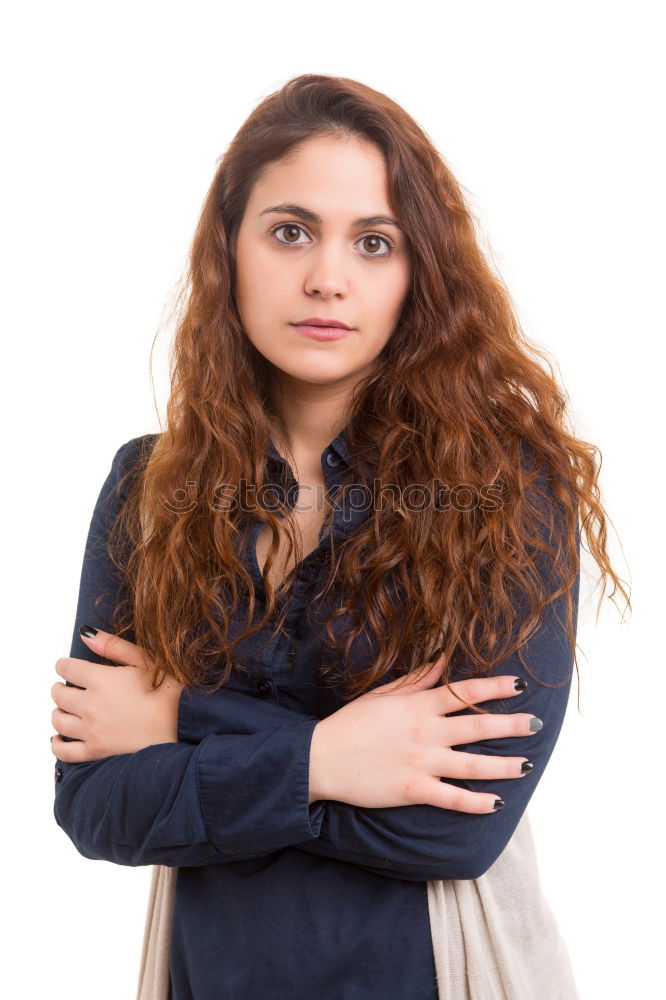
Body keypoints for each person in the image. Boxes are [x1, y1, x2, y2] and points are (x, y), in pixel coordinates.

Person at [50, 74, 628, 999]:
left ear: (418, 273)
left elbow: (458, 826)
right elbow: (94, 804)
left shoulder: (503, 484)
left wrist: (179, 720)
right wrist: (336, 759)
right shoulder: (147, 487)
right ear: (228, 250)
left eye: (374, 242)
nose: (328, 276)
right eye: (290, 232)